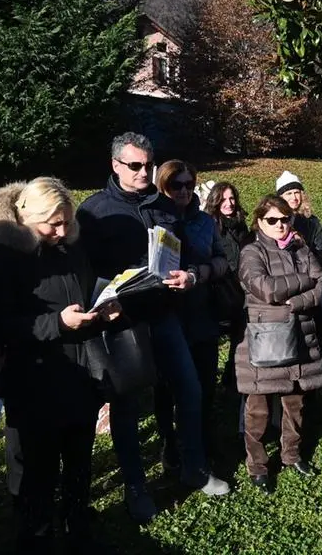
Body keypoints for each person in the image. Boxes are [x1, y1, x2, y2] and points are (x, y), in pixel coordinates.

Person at [76, 132, 230, 521]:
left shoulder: (163, 206)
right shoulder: (93, 212)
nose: (144, 172)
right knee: (127, 407)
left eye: (148, 165)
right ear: (115, 166)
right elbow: (82, 272)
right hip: (123, 323)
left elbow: (182, 252)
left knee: (190, 390)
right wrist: (104, 296)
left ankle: (193, 467)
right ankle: (136, 486)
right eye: (135, 166)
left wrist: (190, 276)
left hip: (164, 316)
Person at [0, 177, 119, 554]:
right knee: (35, 469)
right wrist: (56, 323)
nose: (61, 231)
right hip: (33, 380)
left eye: (67, 222)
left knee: (79, 459)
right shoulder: (5, 257)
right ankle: (34, 536)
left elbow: (85, 291)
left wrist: (103, 311)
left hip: (80, 373)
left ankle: (77, 525)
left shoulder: (72, 246)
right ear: (26, 218)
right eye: (52, 224)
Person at [235, 195, 322, 494]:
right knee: (258, 407)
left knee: (295, 404)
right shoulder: (252, 251)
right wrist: (304, 280)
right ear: (260, 221)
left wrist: (298, 299)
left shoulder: (302, 248)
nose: (279, 225)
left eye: (284, 219)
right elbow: (265, 288)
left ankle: (291, 455)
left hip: (301, 335)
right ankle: (257, 465)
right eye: (271, 220)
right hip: (267, 339)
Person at [154, 161, 229, 462]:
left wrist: (199, 273)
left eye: (188, 184)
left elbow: (223, 260)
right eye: (176, 185)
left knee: (205, 382)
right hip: (165, 313)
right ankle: (169, 441)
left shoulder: (205, 222)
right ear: (163, 186)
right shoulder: (154, 218)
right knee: (166, 386)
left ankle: (201, 436)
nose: (184, 190)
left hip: (201, 312)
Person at [203, 181, 251, 390]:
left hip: (241, 289)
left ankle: (232, 380)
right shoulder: (210, 225)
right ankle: (210, 384)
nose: (229, 203)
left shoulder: (241, 224)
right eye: (223, 199)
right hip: (219, 291)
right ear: (215, 201)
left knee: (240, 338)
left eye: (232, 198)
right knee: (213, 342)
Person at [276, 171, 322, 264]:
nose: (294, 197)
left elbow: (321, 249)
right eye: (289, 193)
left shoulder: (312, 221)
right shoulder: (273, 220)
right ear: (281, 197)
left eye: (296, 192)